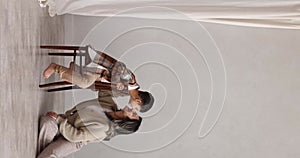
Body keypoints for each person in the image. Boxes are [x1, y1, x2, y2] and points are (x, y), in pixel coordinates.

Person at [42, 46, 154, 113]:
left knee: (86, 84)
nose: (133, 108)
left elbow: (105, 89)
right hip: (93, 60)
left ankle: (75, 70)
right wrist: (117, 82)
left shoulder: (125, 92)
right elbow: (119, 66)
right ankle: (55, 67)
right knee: (84, 83)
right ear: (138, 101)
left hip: (96, 74)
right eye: (136, 108)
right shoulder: (131, 79)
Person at [37, 90, 142, 158]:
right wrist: (126, 89)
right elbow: (104, 89)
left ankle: (45, 151)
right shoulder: (110, 105)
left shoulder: (104, 129)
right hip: (67, 121)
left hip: (73, 139)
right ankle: (42, 151)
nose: (133, 110)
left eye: (133, 114)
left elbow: (76, 136)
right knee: (47, 123)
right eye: (135, 112)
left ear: (126, 122)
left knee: (51, 154)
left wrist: (58, 119)